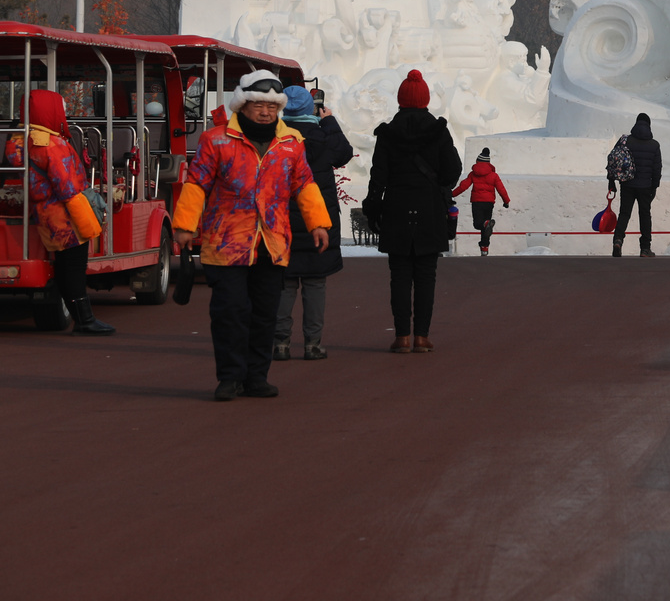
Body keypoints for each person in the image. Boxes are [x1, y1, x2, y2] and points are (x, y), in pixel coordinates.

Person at [172, 71, 331, 401]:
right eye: (259, 105)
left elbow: (304, 184)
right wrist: (185, 226)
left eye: (272, 107)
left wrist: (319, 223)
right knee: (230, 313)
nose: (266, 112)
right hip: (226, 243)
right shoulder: (215, 140)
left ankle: (257, 377)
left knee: (264, 314)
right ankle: (230, 378)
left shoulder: (291, 143)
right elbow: (196, 184)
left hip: (271, 244)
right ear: (242, 105)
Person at [362, 69, 461, 354]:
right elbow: (453, 170)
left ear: (401, 100)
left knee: (400, 274)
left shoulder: (388, 133)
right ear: (426, 99)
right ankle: (422, 337)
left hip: (397, 206)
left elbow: (378, 175)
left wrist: (373, 207)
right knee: (426, 274)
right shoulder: (439, 131)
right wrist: (440, 187)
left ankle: (402, 336)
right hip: (429, 207)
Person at [3, 89, 114, 334]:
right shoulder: (51, 144)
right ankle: (84, 321)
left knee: (64, 267)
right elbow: (68, 187)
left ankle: (82, 318)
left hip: (43, 213)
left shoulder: (17, 140)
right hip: (65, 216)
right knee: (73, 267)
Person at [273, 85, 353, 361]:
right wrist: (329, 119)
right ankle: (313, 344)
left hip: (282, 219)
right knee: (315, 283)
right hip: (318, 218)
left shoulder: (277, 137)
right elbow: (343, 153)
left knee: (284, 283)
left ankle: (280, 343)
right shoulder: (322, 135)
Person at [607, 113, 661, 258]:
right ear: (648, 125)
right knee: (644, 216)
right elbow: (657, 168)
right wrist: (654, 187)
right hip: (645, 186)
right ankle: (645, 249)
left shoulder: (625, 141)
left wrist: (611, 181)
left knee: (624, 213)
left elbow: (613, 160)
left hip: (627, 184)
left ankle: (618, 241)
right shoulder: (654, 145)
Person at [453, 147, 511, 255]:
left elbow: (463, 186)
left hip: (477, 202)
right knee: (486, 227)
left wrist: (451, 194)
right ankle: (485, 248)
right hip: (489, 203)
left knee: (478, 224)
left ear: (477, 162)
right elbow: (501, 189)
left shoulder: (472, 174)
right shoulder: (494, 175)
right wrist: (506, 201)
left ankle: (484, 241)